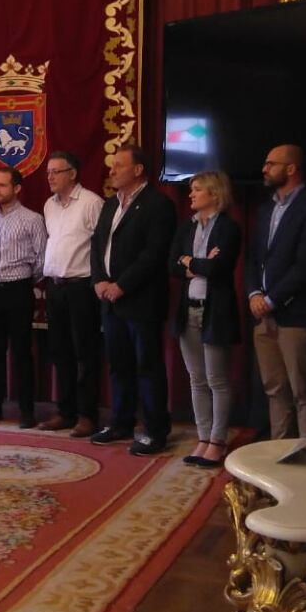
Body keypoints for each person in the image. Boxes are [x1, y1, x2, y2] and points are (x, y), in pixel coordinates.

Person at [90, 143, 177, 455]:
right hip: (110, 300)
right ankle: (121, 422)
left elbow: (153, 254)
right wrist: (99, 279)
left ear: (138, 170)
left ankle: (155, 429)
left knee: (147, 365)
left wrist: (121, 285)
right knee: (119, 365)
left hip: (140, 300)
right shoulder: (110, 204)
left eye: (119, 165)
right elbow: (97, 244)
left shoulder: (158, 204)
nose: (112, 170)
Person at [245, 144, 306, 439]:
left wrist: (271, 299)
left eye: (271, 164)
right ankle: (277, 453)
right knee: (275, 390)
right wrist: (254, 294)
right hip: (265, 316)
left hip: (299, 315)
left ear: (291, 168)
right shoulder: (267, 208)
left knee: (303, 392)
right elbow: (255, 257)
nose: (264, 169)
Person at [169, 171, 240, 467]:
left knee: (216, 379)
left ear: (214, 193)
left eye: (197, 190)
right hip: (189, 309)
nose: (191, 195)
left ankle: (217, 439)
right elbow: (172, 261)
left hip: (215, 311)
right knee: (196, 379)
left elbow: (219, 268)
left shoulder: (228, 228)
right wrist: (196, 262)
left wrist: (191, 262)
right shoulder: (187, 227)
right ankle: (202, 437)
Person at [39, 151, 105, 437]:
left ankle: (87, 414)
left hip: (82, 286)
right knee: (60, 351)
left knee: (85, 353)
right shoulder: (48, 205)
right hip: (55, 286)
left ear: (73, 174)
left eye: (56, 171)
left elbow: (102, 247)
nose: (50, 177)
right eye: (49, 172)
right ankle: (65, 411)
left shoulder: (91, 203)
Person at [0, 167, 47, 427]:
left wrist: (25, 277)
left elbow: (42, 258)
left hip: (19, 288)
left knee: (21, 352)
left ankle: (26, 410)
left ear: (17, 188)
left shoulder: (32, 219)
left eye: (2, 185)